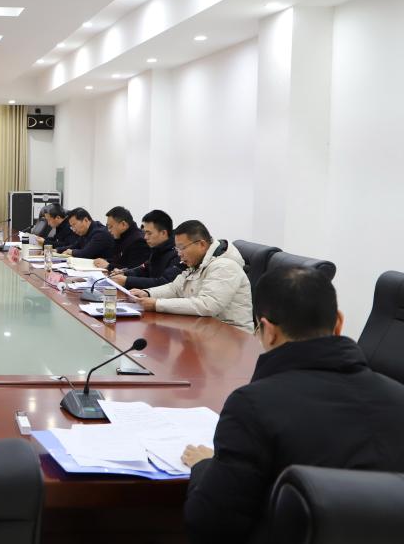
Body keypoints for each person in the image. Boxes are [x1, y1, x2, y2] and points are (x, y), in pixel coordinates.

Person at [182, 267, 404, 544]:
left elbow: (209, 526)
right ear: (338, 323)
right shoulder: (399, 397)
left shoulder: (253, 406)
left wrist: (206, 466)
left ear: (268, 331)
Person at [131, 220, 253, 332]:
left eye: (182, 248)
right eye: (177, 249)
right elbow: (175, 288)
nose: (179, 254)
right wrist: (148, 293)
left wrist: (157, 304)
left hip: (231, 335)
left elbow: (207, 305)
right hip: (205, 328)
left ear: (202, 244)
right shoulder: (198, 262)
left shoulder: (225, 266)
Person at [112, 209, 182, 290]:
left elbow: (164, 282)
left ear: (163, 233)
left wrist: (127, 280)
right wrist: (124, 273)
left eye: (149, 233)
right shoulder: (157, 249)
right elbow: (144, 269)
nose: (145, 237)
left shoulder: (177, 254)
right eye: (145, 233)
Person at [93, 206, 150, 271]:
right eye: (107, 227)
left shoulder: (138, 241)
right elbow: (119, 260)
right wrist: (105, 261)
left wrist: (108, 266)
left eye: (111, 227)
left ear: (123, 224)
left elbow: (134, 269)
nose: (109, 230)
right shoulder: (121, 237)